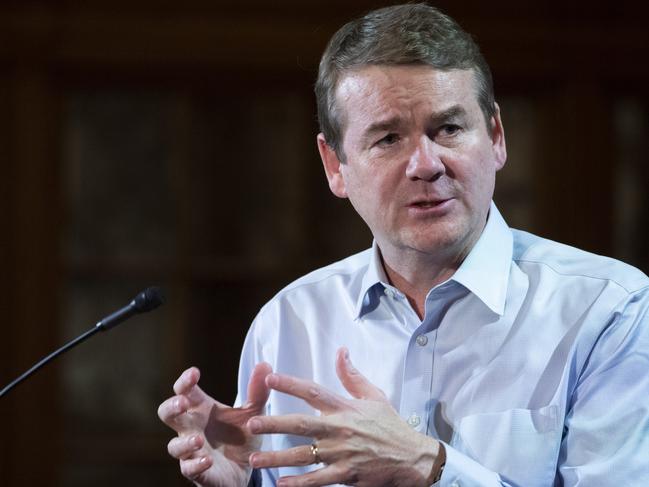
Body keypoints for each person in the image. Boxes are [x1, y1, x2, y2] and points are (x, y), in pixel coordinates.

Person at [157, 4, 649, 486]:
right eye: (389, 139)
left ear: (496, 136)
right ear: (335, 166)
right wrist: (248, 480)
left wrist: (429, 467)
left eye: (449, 129)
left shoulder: (609, 311)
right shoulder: (289, 323)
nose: (426, 164)